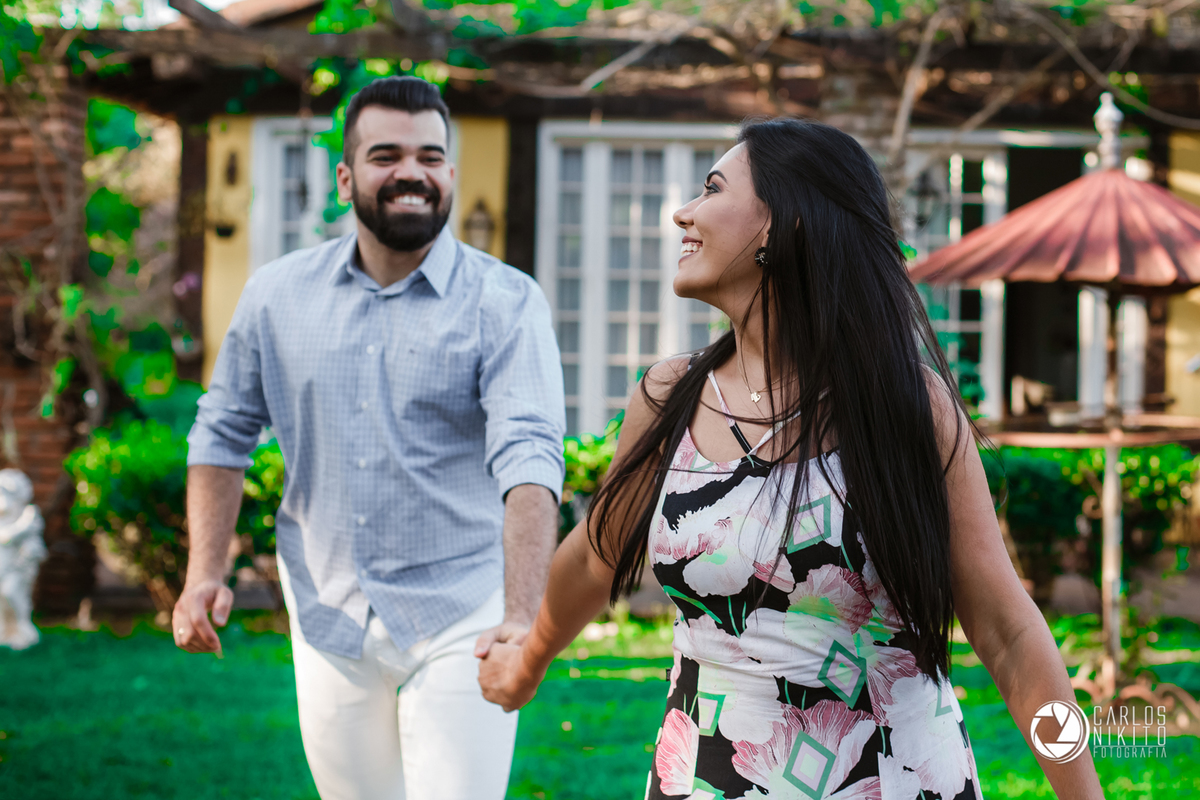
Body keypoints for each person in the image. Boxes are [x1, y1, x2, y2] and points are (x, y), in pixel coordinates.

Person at [477, 119, 1105, 799]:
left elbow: (1008, 634)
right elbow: (597, 552)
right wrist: (529, 657)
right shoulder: (667, 398)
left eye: (713, 188)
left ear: (784, 225)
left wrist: (1083, 795)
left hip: (889, 780)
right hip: (704, 782)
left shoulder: (903, 406)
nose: (683, 212)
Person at [174, 76, 565, 800]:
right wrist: (205, 572)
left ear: (449, 172)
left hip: (462, 611)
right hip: (328, 613)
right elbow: (222, 431)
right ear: (346, 176)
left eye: (431, 156)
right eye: (387, 155)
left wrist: (520, 617)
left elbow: (529, 457)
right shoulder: (276, 295)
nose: (412, 172)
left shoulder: (506, 302)